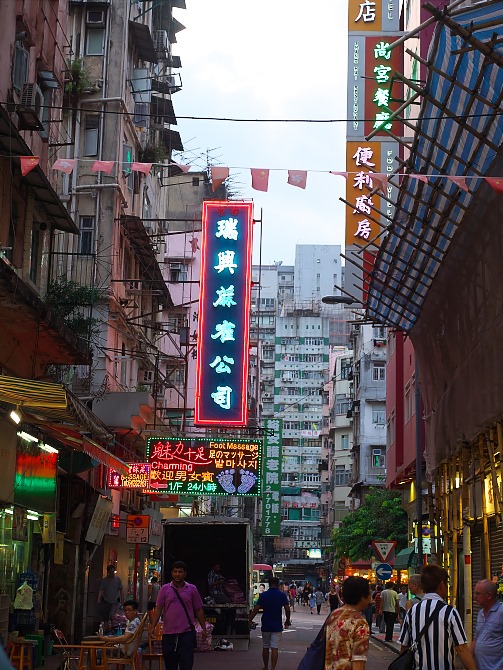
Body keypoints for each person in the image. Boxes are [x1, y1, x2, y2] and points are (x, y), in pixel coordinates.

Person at [399, 564, 476, 670]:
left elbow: (404, 646)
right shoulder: (450, 612)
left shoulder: (412, 611)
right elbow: (461, 648)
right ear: (442, 585)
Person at [151, 561, 207, 670]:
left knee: (186, 664)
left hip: (186, 633)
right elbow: (158, 609)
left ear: (185, 574)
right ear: (172, 573)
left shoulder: (192, 589)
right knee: (170, 665)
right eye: (175, 571)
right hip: (169, 633)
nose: (177, 574)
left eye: (180, 572)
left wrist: (203, 628)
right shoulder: (165, 589)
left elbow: (199, 609)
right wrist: (153, 626)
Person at [324, 576, 371, 670]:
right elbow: (358, 662)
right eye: (369, 593)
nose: (371, 597)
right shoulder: (360, 623)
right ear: (362, 597)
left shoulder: (334, 614)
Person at [249, 577, 291, 670]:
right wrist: (287, 620)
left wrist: (250, 619)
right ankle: (273, 668)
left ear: (269, 584)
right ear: (278, 584)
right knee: (275, 647)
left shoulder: (264, 595)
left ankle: (266, 667)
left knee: (265, 646)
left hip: (266, 623)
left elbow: (256, 609)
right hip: (277, 624)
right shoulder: (282, 595)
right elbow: (287, 609)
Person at [471, 578, 503, 670]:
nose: (475, 597)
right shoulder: (480, 614)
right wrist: (468, 658)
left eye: (478, 594)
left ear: (489, 595)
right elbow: (476, 639)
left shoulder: (501, 612)